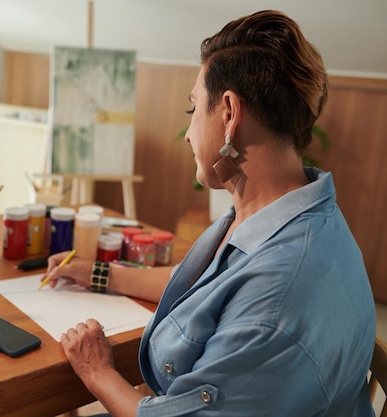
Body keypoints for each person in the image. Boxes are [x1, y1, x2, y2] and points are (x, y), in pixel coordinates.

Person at [43, 10, 376, 417]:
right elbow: (204, 285)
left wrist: (98, 373)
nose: (187, 133)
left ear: (229, 114)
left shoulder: (277, 302)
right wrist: (98, 273)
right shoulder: (294, 213)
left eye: (194, 109)